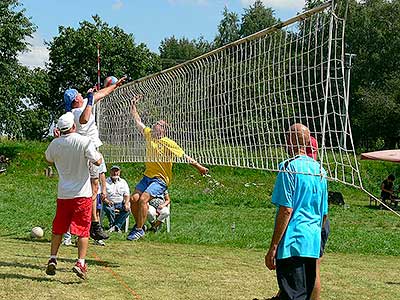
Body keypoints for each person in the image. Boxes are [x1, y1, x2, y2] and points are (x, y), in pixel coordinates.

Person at [127, 95, 209, 241]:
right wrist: (133, 105)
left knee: (143, 199)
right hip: (147, 176)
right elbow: (138, 121)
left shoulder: (169, 143)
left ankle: (139, 229)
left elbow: (184, 157)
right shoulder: (149, 135)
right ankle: (140, 225)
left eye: (158, 123)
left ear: (163, 129)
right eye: (156, 122)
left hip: (160, 180)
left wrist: (199, 167)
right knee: (134, 199)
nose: (155, 124)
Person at [265, 123, 328, 300]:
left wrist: (274, 247)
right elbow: (324, 214)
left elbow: (286, 210)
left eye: (286, 137)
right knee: (302, 294)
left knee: (292, 295)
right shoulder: (320, 171)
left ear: (290, 139)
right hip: (312, 242)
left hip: (293, 242)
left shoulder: (288, 167)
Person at [63, 76, 125, 241]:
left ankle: (89, 224)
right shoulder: (75, 112)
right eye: (77, 94)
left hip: (91, 151)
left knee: (93, 188)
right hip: (88, 151)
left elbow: (102, 94)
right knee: (92, 189)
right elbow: (83, 120)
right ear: (75, 99)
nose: (79, 94)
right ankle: (92, 224)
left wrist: (115, 86)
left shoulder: (83, 102)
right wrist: (90, 100)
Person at [45, 112, 102, 280]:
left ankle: (53, 258)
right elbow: (97, 161)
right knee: (83, 231)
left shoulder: (55, 144)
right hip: (82, 194)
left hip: (63, 194)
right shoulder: (84, 141)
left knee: (59, 228)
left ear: (59, 129)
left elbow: (48, 159)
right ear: (73, 127)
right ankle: (80, 263)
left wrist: (57, 142)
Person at [102, 165, 131, 233]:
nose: (115, 173)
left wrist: (126, 203)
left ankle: (116, 226)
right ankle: (114, 226)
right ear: (110, 172)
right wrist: (107, 201)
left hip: (120, 203)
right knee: (109, 209)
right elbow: (102, 195)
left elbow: (127, 194)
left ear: (119, 172)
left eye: (117, 171)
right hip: (109, 203)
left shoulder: (123, 182)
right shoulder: (105, 182)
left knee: (127, 209)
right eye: (113, 171)